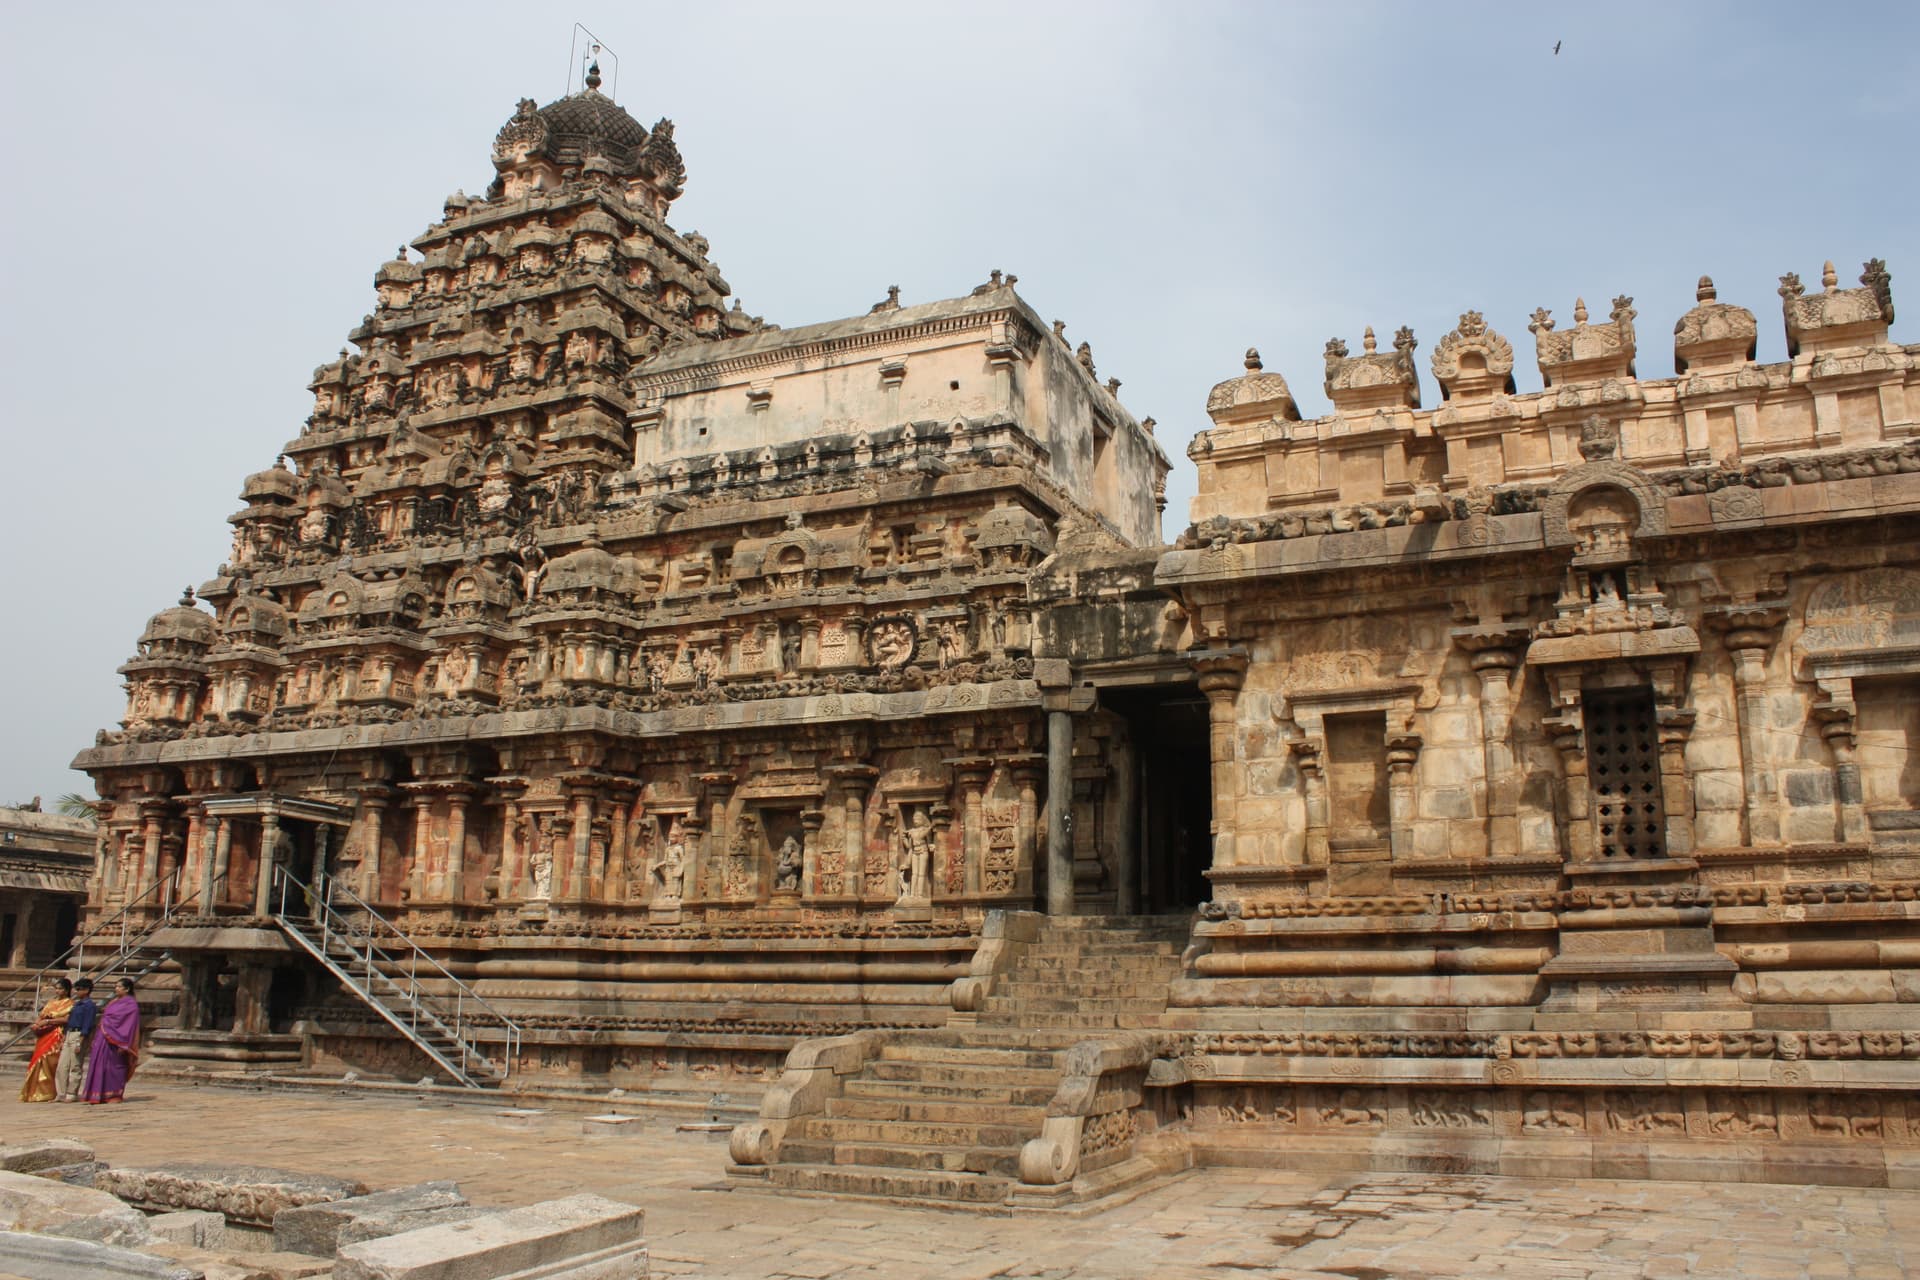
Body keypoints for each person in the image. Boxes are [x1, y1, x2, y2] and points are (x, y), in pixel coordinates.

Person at [80, 978, 140, 1105]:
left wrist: (122, 1042)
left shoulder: (131, 1004)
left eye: (119, 987)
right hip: (103, 1038)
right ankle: (98, 1094)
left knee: (114, 1067)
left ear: (127, 989)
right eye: (116, 986)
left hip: (117, 1040)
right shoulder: (113, 1002)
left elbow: (129, 1025)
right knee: (99, 1065)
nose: (116, 989)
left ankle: (114, 1094)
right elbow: (105, 1018)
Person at [17, 978, 74, 1103]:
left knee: (49, 1061)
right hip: (44, 1035)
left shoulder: (70, 1003)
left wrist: (48, 1021)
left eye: (61, 989)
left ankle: (49, 1092)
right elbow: (41, 1016)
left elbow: (66, 1019)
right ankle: (35, 1092)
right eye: (57, 988)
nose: (58, 991)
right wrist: (37, 1024)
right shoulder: (51, 1002)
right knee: (37, 1061)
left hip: (56, 1033)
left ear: (67, 990)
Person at [54, 977, 96, 1102]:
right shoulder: (76, 1004)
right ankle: (61, 1092)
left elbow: (87, 1024)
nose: (76, 992)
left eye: (79, 989)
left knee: (75, 1065)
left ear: (87, 990)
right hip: (69, 1034)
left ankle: (72, 1093)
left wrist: (81, 1040)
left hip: (79, 1035)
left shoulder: (89, 1006)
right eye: (76, 989)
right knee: (62, 1065)